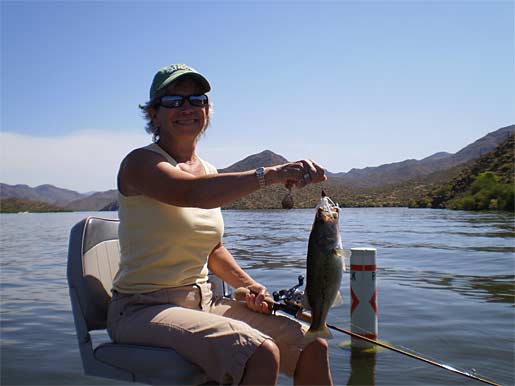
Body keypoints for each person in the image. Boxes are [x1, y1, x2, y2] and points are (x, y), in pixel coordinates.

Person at [107, 63, 333, 386]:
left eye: (196, 99)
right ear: (154, 115)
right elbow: (189, 192)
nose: (187, 107)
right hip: (142, 309)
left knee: (313, 345)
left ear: (207, 111)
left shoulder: (210, 172)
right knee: (259, 352)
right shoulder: (139, 163)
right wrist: (272, 174)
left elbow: (212, 249)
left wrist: (250, 286)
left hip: (206, 301)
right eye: (173, 101)